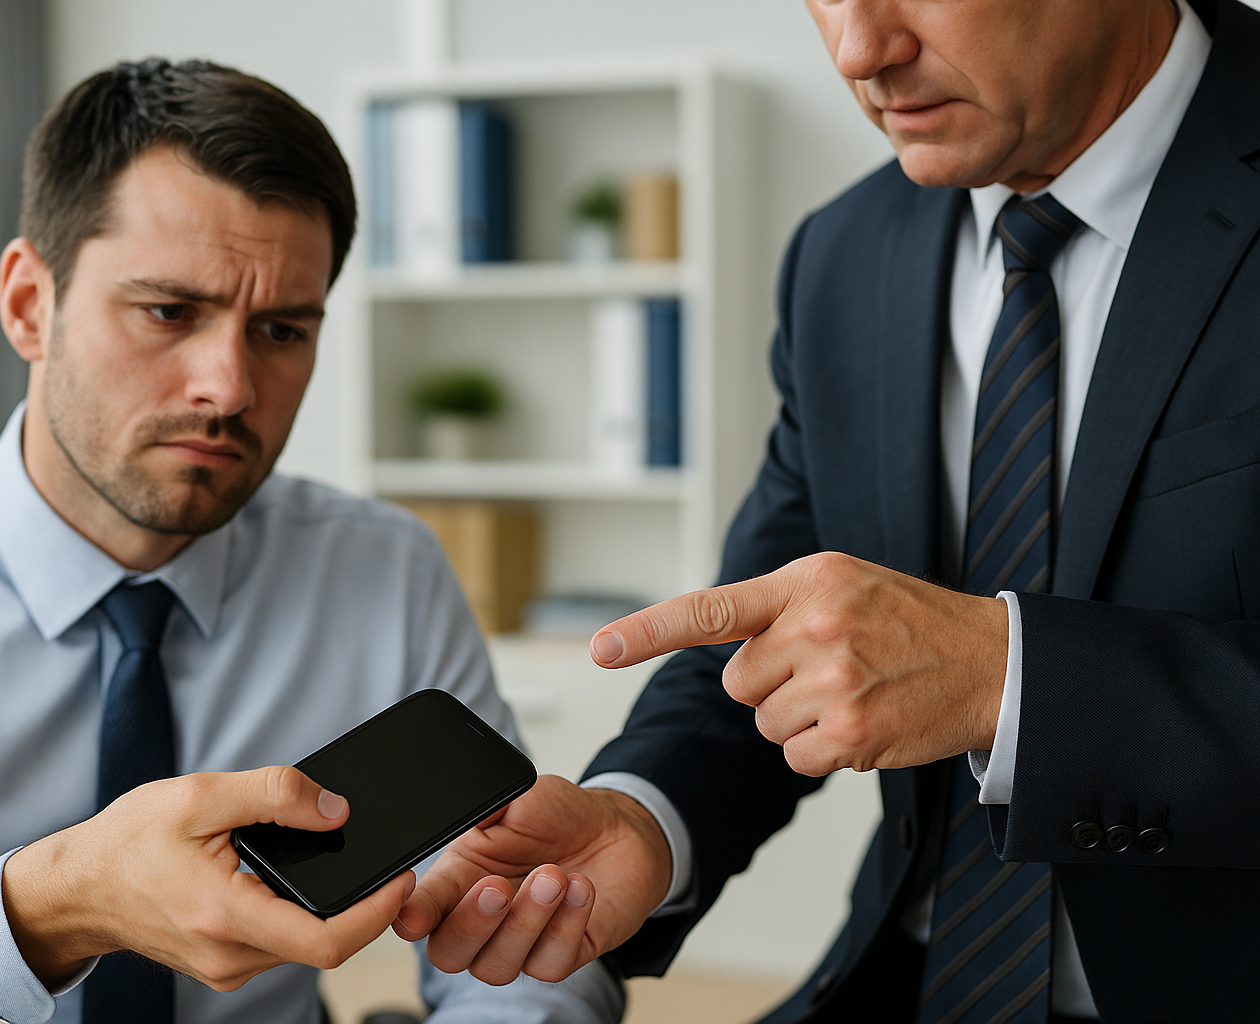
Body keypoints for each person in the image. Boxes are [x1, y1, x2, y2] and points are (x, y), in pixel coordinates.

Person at [395, 0, 1260, 1020]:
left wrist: (1008, 678)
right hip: (902, 976)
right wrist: (640, 818)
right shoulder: (844, 255)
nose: (861, 51)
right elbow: (767, 634)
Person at [0, 59, 621, 1024]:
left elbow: (518, 940)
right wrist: (46, 908)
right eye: (169, 312)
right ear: (30, 303)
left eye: (281, 330)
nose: (227, 386)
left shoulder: (385, 570)